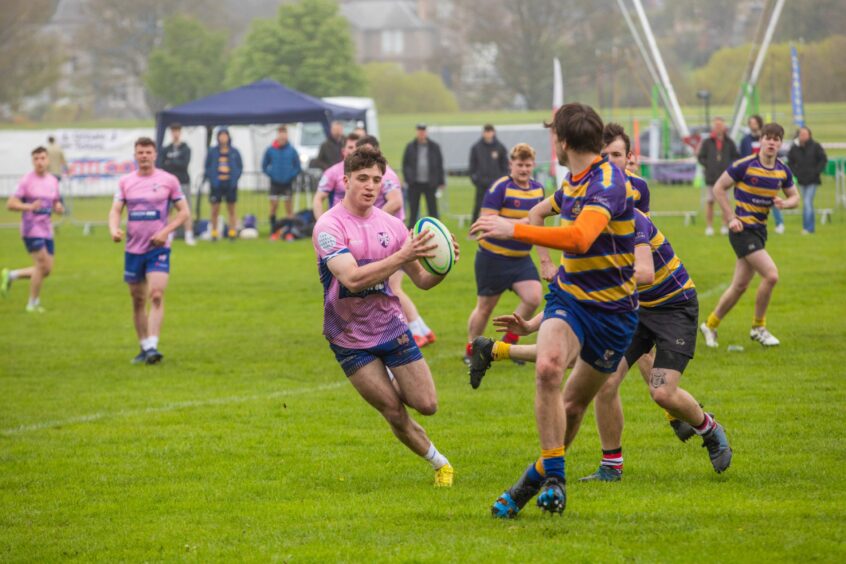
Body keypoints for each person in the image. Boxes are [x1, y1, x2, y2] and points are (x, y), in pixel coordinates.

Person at [469, 210, 733, 485]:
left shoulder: (632, 218)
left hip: (674, 309)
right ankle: (611, 466)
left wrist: (603, 276)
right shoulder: (586, 232)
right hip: (634, 311)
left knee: (662, 392)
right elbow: (569, 292)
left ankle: (709, 428)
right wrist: (531, 326)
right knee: (605, 381)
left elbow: (644, 273)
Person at [470, 103, 638, 517]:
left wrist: (515, 229)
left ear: (562, 142)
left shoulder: (609, 183)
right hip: (570, 298)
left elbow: (580, 238)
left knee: (572, 408)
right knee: (547, 368)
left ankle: (528, 485)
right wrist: (545, 262)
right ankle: (555, 480)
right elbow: (545, 210)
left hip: (614, 314)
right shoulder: (574, 180)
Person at [311, 145, 459, 486]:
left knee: (427, 404)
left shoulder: (393, 226)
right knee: (393, 409)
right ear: (346, 180)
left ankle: (391, 377)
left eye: (377, 180)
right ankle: (441, 464)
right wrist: (401, 256)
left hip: (391, 328)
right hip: (347, 335)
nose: (370, 186)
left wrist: (445, 263)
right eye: (362, 178)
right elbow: (351, 277)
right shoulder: (329, 226)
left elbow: (422, 280)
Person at [700, 123, 799, 349]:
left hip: (759, 231)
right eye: (768, 138)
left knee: (739, 286)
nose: (772, 142)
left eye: (776, 139)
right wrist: (730, 217)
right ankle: (758, 327)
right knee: (771, 275)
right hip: (741, 230)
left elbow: (795, 197)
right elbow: (718, 188)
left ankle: (710, 324)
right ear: (761, 140)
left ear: (780, 143)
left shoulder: (782, 170)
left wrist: (785, 203)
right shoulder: (743, 166)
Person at [108, 137, 190, 365]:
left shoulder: (168, 180)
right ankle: (144, 346)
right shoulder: (126, 182)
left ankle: (153, 345)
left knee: (156, 295)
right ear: (135, 155)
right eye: (140, 152)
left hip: (158, 248)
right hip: (133, 249)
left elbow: (184, 212)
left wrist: (166, 231)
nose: (144, 156)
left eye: (148, 152)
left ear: (155, 155)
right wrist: (114, 229)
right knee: (137, 300)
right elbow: (115, 210)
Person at [464, 143, 544, 365]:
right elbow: (487, 223)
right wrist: (523, 223)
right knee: (485, 308)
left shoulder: (538, 189)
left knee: (534, 297)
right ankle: (472, 349)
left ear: (533, 165)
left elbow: (539, 222)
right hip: (493, 258)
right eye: (519, 164)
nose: (524, 169)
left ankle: (508, 343)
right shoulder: (500, 187)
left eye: (528, 165)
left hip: (521, 259)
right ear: (511, 164)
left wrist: (516, 225)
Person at [1, 147, 64, 312]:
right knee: (41, 264)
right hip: (31, 229)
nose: (40, 162)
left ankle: (11, 275)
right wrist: (29, 206)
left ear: (48, 160)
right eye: (36, 159)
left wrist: (58, 207)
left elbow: (57, 201)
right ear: (32, 161)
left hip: (46, 229)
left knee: (47, 270)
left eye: (42, 158)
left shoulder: (53, 181)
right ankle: (32, 303)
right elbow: (10, 204)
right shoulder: (26, 181)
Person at [740, 115, 785, 234]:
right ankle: (750, 223)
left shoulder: (770, 139)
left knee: (773, 199)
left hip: (769, 173)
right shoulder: (746, 139)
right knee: (752, 201)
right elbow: (743, 155)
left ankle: (779, 223)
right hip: (752, 175)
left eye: (754, 122)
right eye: (750, 123)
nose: (752, 125)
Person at [698, 117, 739, 236]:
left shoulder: (729, 142)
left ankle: (725, 226)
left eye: (720, 125)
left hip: (725, 179)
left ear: (724, 127)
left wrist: (730, 168)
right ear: (713, 127)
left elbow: (736, 157)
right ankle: (709, 226)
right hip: (711, 178)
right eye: (716, 126)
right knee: (710, 201)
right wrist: (708, 165)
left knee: (725, 202)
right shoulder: (707, 142)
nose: (718, 128)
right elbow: (701, 157)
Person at [157, 123, 195, 246]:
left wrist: (171, 162)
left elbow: (184, 164)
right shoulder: (165, 149)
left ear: (180, 132)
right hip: (168, 184)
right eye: (173, 131)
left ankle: (189, 235)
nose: (175, 133)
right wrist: (173, 163)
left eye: (177, 131)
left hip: (183, 182)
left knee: (186, 209)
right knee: (169, 210)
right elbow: (162, 165)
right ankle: (169, 234)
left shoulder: (186, 148)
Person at [262, 125, 302, 238]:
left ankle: (289, 232)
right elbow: (264, 166)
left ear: (287, 135)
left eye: (284, 133)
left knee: (288, 208)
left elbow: (298, 167)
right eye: (280, 133)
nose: (282, 136)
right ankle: (273, 232)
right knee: (273, 207)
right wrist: (272, 174)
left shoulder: (292, 150)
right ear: (277, 134)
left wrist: (290, 175)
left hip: (287, 183)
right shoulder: (270, 150)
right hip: (275, 183)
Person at [402, 124, 445, 226]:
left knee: (433, 210)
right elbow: (405, 164)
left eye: (423, 131)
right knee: (413, 210)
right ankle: (411, 232)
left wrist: (441, 181)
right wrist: (408, 178)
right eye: (419, 131)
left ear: (426, 132)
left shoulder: (434, 147)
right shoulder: (410, 147)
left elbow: (439, 164)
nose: (421, 133)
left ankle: (436, 230)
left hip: (430, 183)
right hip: (414, 184)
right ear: (417, 132)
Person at [787, 126, 828, 235]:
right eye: (801, 134)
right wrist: (795, 172)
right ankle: (809, 227)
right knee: (806, 202)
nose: (803, 136)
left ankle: (808, 228)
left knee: (807, 202)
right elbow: (790, 161)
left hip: (813, 180)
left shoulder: (816, 146)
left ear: (809, 135)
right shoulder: (794, 147)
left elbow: (823, 159)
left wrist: (817, 171)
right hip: (801, 180)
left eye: (805, 134)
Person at [204, 128, 242, 241]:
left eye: (225, 135)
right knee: (215, 209)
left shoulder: (234, 152)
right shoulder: (213, 151)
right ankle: (214, 232)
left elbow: (239, 167)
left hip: (230, 184)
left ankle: (232, 232)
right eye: (221, 135)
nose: (223, 138)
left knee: (231, 209)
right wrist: (212, 179)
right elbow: (207, 166)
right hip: (217, 184)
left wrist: (234, 179)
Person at [312, 133, 361, 219]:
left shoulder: (367, 172)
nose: (354, 150)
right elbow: (318, 199)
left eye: (357, 147)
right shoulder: (332, 172)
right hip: (339, 223)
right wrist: (322, 224)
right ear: (343, 151)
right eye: (350, 147)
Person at [468, 124, 509, 222]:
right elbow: (472, 165)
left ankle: (498, 225)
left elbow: (505, 166)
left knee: (498, 205)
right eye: (486, 132)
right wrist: (475, 179)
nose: (488, 134)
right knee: (478, 205)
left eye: (490, 131)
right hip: (481, 183)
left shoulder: (500, 147)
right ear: (483, 133)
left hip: (496, 184)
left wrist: (501, 180)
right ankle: (474, 228)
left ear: (493, 133)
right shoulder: (476, 147)